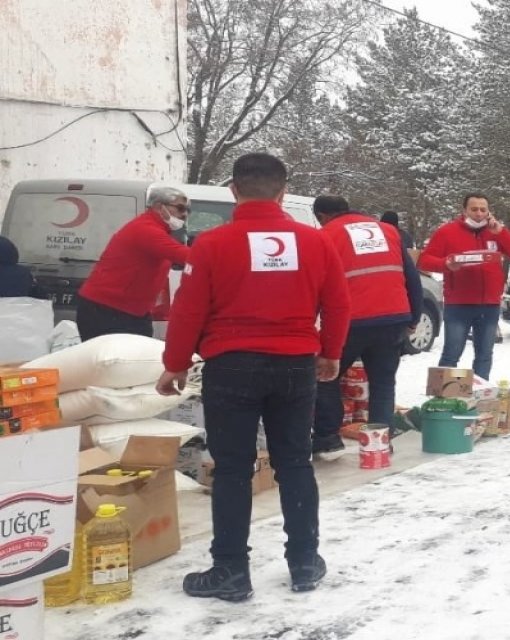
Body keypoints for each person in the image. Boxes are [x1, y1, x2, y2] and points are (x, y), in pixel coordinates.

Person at [157, 153, 351, 601]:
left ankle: (230, 569)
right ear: (283, 191)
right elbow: (339, 303)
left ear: (233, 190)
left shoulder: (211, 244)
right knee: (295, 463)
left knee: (232, 469)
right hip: (295, 364)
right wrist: (331, 352)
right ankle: (304, 561)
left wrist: (176, 361)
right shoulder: (315, 242)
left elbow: (189, 309)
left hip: (232, 365)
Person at [311, 196, 423, 460]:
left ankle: (328, 439)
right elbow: (412, 277)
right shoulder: (387, 231)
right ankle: (380, 443)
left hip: (351, 321)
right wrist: (413, 318)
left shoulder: (325, 235)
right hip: (393, 318)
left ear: (322, 216)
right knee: (383, 383)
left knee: (326, 376)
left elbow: (315, 285)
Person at [417, 193, 510, 380]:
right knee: (452, 353)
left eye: (483, 209)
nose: (479, 213)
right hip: (459, 304)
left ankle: (480, 392)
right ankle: (444, 393)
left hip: (489, 304)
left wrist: (501, 232)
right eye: (474, 209)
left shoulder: (495, 232)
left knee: (484, 355)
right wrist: (446, 264)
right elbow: (424, 260)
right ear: (465, 210)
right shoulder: (447, 231)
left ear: (489, 211)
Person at [76, 186, 190, 341]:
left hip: (133, 311)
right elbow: (185, 255)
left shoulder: (159, 230)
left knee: (139, 351)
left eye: (187, 210)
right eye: (180, 208)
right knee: (119, 354)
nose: (184, 214)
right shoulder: (146, 229)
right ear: (159, 207)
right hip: (106, 309)